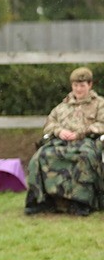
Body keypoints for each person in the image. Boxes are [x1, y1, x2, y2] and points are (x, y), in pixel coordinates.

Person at [24, 66, 104, 216]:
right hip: (61, 142)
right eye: (75, 85)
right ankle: (42, 201)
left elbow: (102, 124)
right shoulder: (62, 106)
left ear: (90, 85)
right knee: (40, 156)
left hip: (87, 142)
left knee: (84, 157)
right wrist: (59, 131)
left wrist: (82, 132)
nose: (78, 89)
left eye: (82, 85)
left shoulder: (99, 104)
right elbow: (49, 123)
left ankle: (80, 202)